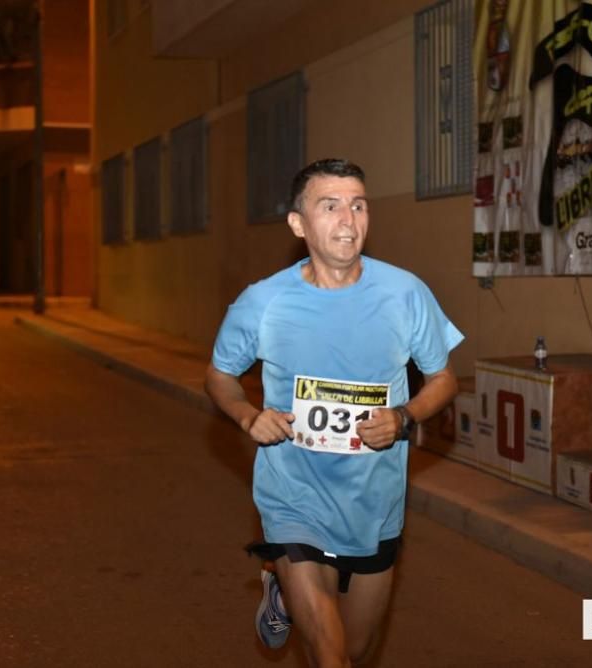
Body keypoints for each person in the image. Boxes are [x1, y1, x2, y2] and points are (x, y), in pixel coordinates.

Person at [205, 158, 463, 666]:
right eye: (330, 206)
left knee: (358, 652)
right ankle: (284, 571)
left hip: (374, 503)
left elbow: (444, 379)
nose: (349, 220)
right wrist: (245, 416)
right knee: (330, 655)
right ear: (299, 224)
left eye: (358, 204)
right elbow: (218, 375)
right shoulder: (263, 302)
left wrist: (405, 418)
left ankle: (279, 589)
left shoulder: (404, 293)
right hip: (293, 499)